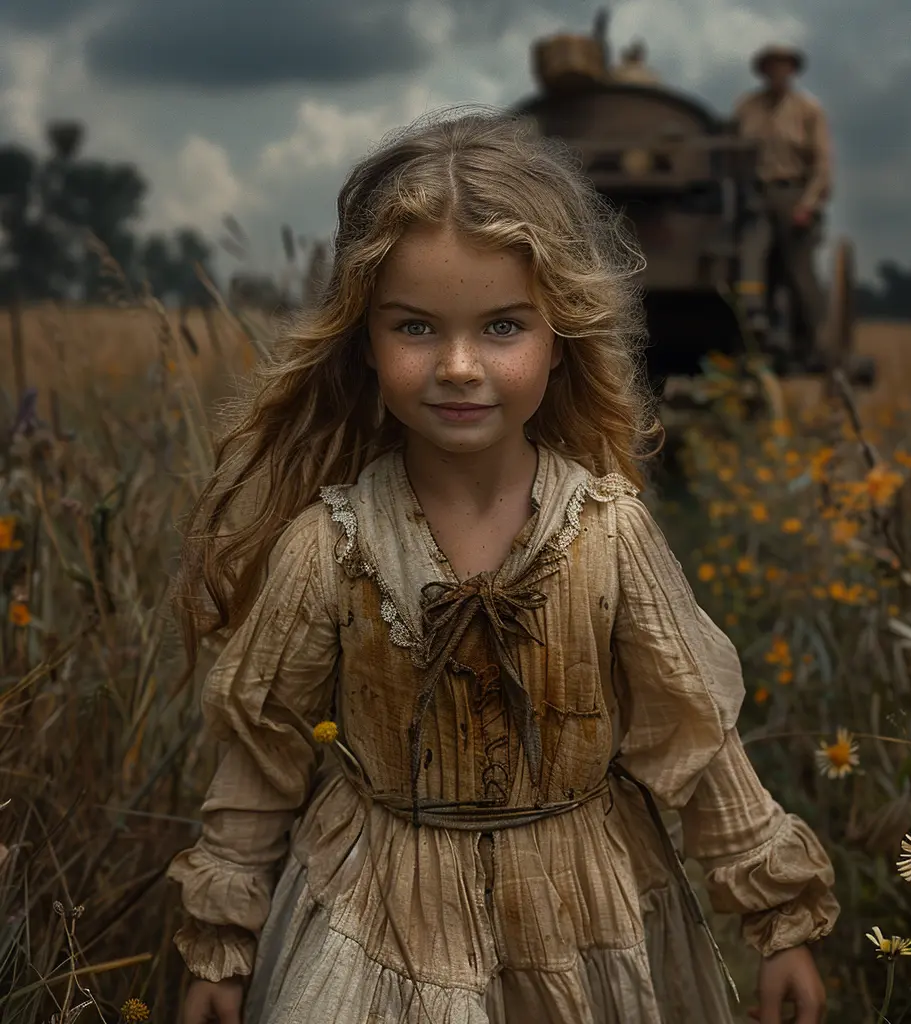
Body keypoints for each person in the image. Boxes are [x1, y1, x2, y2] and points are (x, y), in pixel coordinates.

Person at [169, 110, 839, 1024]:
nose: (457, 366)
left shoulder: (608, 536)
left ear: (558, 335)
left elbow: (697, 737)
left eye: (500, 328)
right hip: (378, 919)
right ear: (363, 339)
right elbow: (262, 755)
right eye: (414, 327)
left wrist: (779, 917)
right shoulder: (329, 547)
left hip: (579, 912)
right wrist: (221, 939)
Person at [734, 44, 832, 367]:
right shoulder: (747, 107)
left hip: (794, 196)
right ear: (763, 72)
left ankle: (812, 346)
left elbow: (823, 165)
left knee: (799, 275)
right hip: (755, 195)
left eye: (783, 66)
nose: (777, 72)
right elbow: (728, 150)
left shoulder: (808, 109)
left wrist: (808, 204)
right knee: (750, 253)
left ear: (792, 71)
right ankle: (754, 320)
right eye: (771, 67)